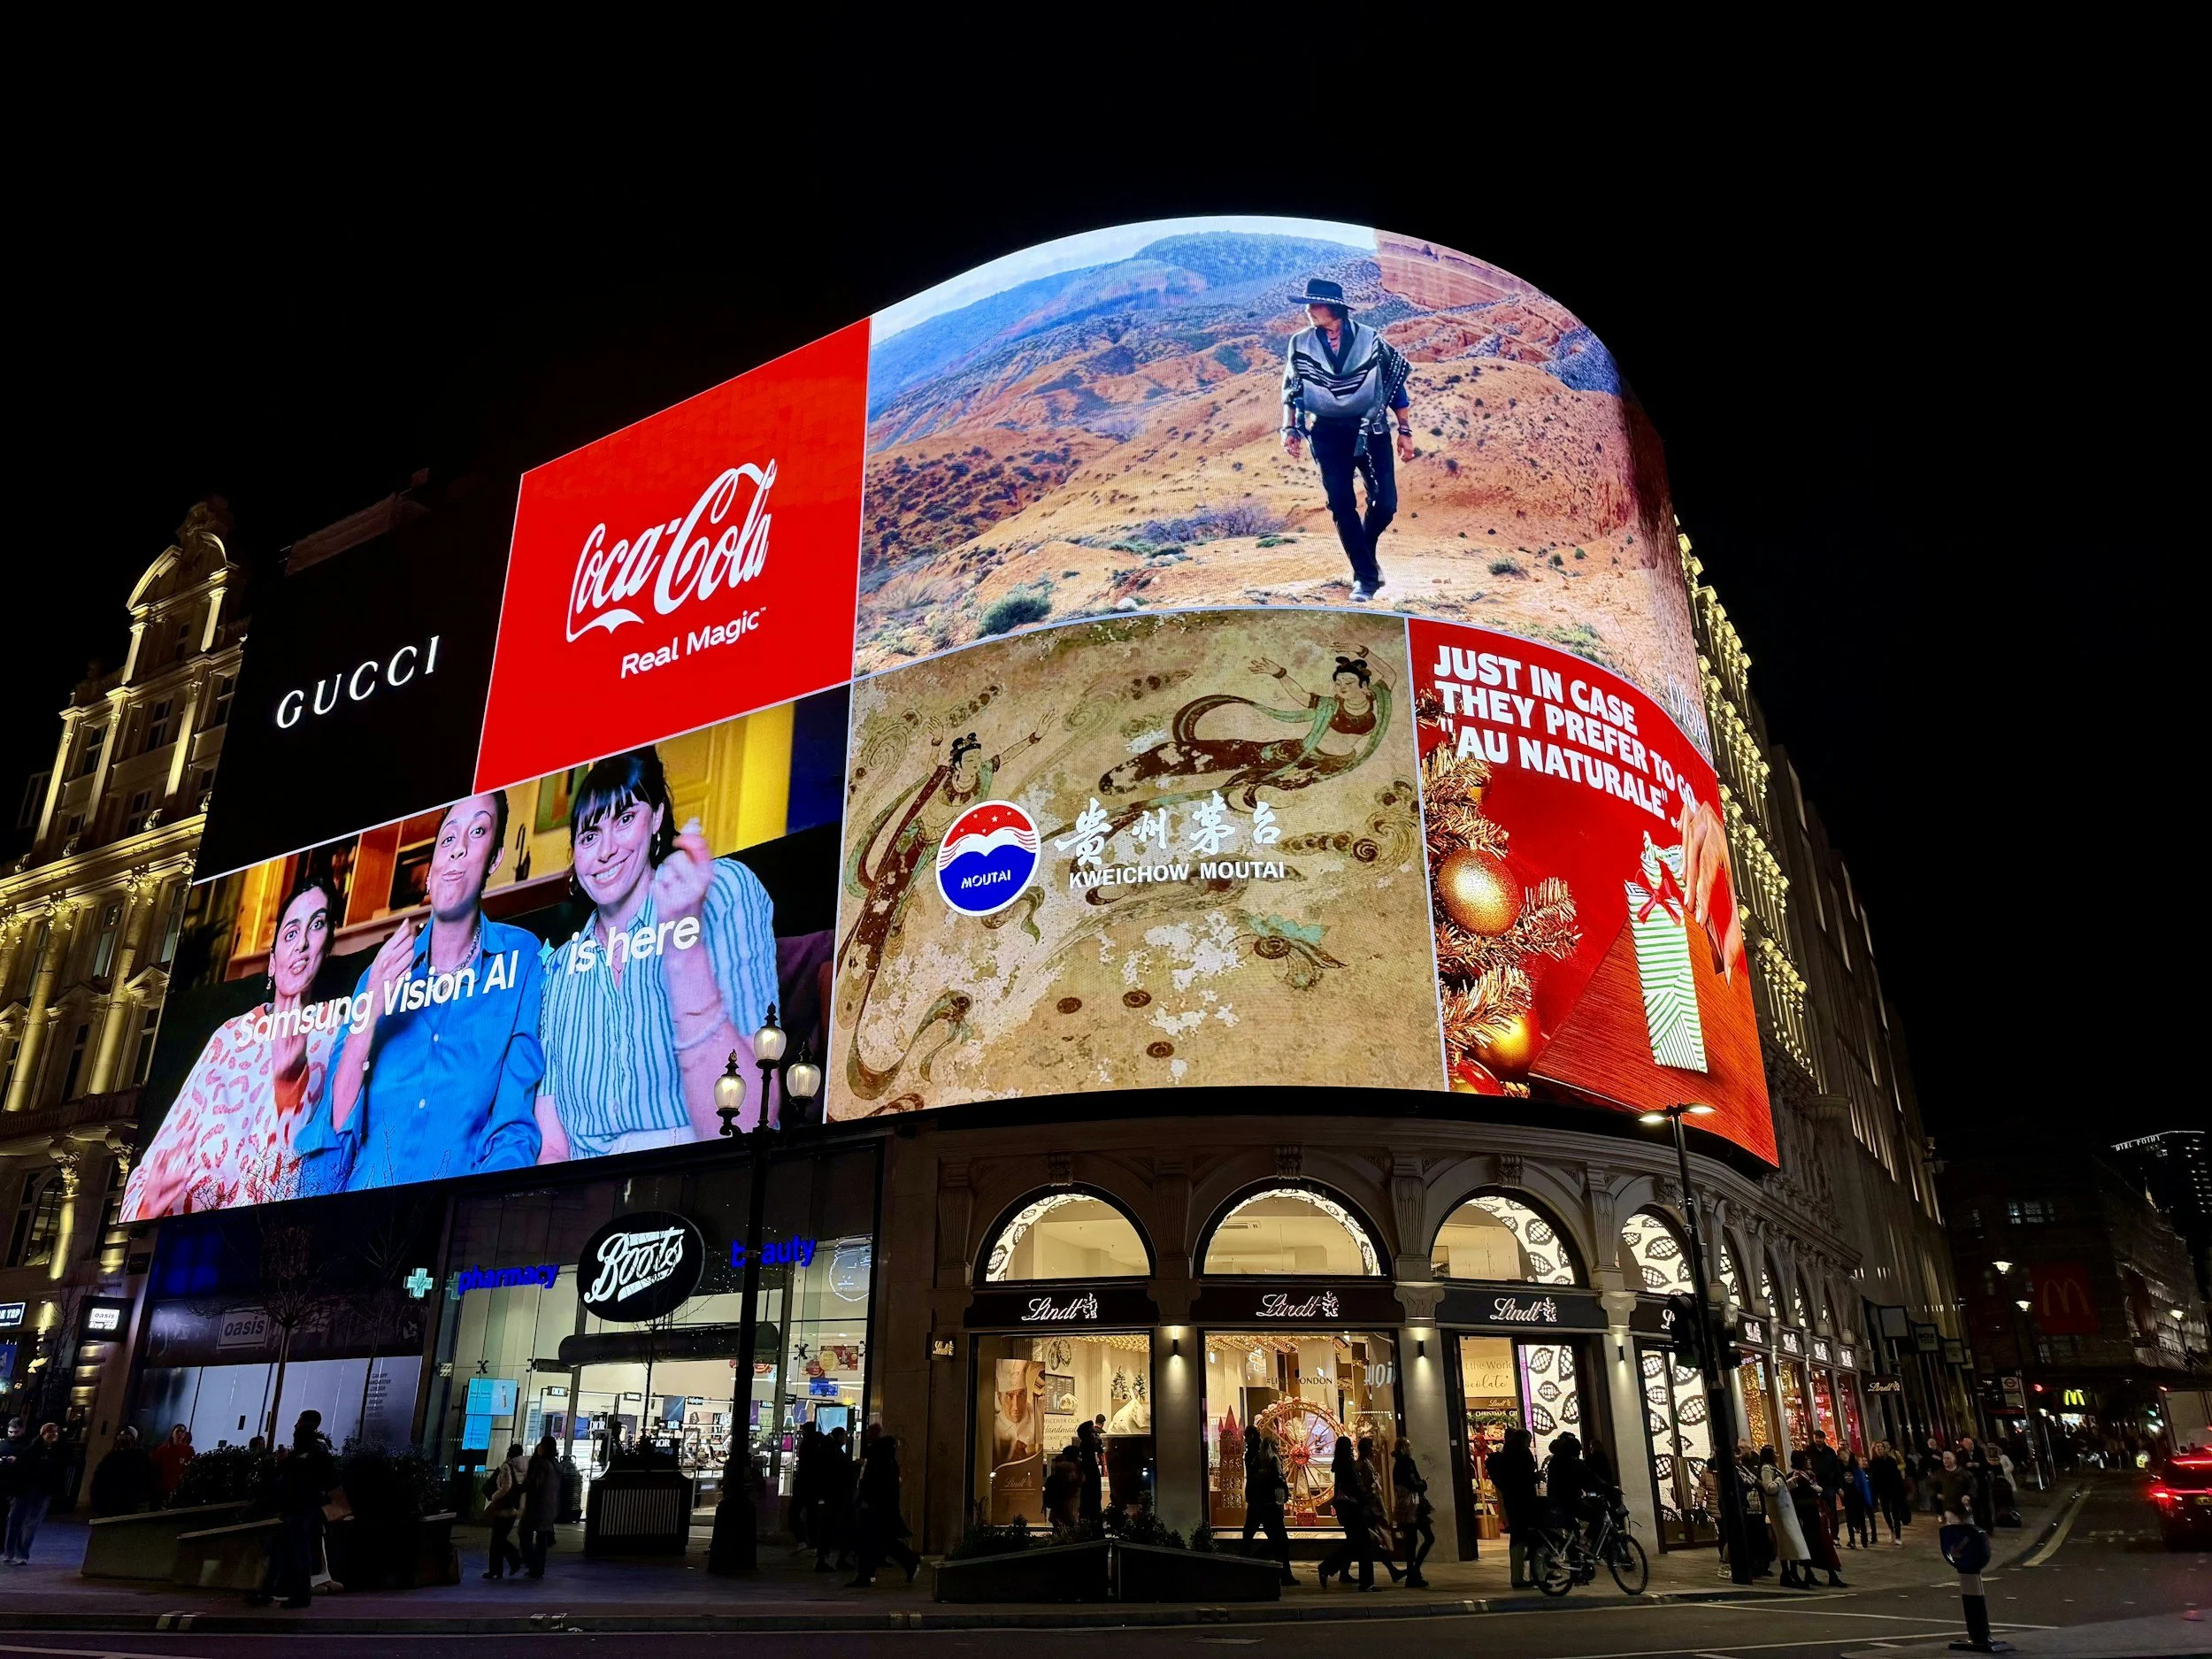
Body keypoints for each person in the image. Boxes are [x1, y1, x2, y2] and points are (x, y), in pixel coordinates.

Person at [535, 749, 779, 1158]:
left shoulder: (723, 891)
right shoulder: (560, 969)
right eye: (589, 836)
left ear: (657, 819)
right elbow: (553, 1148)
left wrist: (683, 943)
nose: (606, 849)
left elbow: (745, 1122)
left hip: (710, 1169)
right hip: (590, 1193)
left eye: (625, 819)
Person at [297, 793, 545, 1193]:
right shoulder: (378, 975)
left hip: (454, 1221)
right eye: (447, 839)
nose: (457, 849)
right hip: (361, 1211)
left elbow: (513, 1129)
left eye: (477, 832)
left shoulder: (521, 959)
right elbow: (336, 1132)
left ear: (495, 859)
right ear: (429, 872)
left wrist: (474, 1223)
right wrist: (370, 1010)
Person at [122, 876, 343, 1218]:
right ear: (272, 962)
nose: (301, 943)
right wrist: (152, 1198)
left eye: (317, 925)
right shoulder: (229, 1035)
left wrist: (289, 1092)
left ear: (328, 947)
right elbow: (151, 1169)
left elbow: (312, 1175)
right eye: (290, 932)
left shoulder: (338, 1027)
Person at [1279, 276, 1415, 602]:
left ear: (1335, 308)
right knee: (1341, 503)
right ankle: (1365, 579)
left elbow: (1395, 384)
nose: (1310, 310)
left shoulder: (1370, 340)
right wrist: (1290, 428)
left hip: (1372, 430)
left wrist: (1406, 430)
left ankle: (1363, 556)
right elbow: (1292, 388)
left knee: (1385, 504)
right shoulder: (1301, 343)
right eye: (1308, 304)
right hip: (1326, 433)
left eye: (1316, 304)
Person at [249, 1411, 334, 1608]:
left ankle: (295, 1593)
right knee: (282, 1549)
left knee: (296, 1551)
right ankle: (270, 1591)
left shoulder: (308, 1452)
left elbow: (291, 1477)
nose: (295, 1426)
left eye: (298, 1423)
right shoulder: (314, 1451)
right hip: (299, 1507)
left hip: (300, 1508)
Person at [847, 1433, 920, 1587]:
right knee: (881, 1541)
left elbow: (869, 1484)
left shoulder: (878, 1461)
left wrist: (862, 1501)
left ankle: (867, 1574)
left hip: (874, 1509)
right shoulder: (889, 1462)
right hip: (883, 1508)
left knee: (873, 1541)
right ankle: (868, 1573)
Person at [1486, 1425, 1542, 1589]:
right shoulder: (1523, 1454)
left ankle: (1517, 1575)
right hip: (1525, 1499)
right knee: (1533, 1534)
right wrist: (1536, 1477)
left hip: (1511, 1500)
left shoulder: (1506, 1455)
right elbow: (1524, 1478)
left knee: (1517, 1536)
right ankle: (1534, 1573)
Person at [2, 1422, 65, 1563]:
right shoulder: (33, 1448)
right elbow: (22, 1467)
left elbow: (59, 1472)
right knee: (15, 1521)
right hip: (25, 1489)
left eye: (55, 1433)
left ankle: (21, 1554)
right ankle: (10, 1552)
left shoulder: (58, 1451)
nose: (52, 1436)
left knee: (30, 1524)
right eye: (50, 1433)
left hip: (42, 1490)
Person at [1240, 1426, 1296, 1584]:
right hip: (1269, 1505)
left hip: (1260, 1502)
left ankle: (1249, 1563)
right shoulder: (1269, 1461)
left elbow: (1255, 1479)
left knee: (1253, 1535)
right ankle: (1278, 1571)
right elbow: (1275, 1481)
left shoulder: (1254, 1456)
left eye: (1245, 1436)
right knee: (1280, 1541)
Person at [1317, 1437, 1373, 1589]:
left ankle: (1328, 1567)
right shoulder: (1348, 1464)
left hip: (1345, 1507)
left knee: (1354, 1543)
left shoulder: (1340, 1464)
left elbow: (1339, 1487)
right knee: (1362, 1543)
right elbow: (1354, 1486)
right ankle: (1366, 1582)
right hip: (1353, 1507)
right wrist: (1365, 1496)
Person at [1760, 1448, 1814, 1591]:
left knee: (1790, 1541)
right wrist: (1780, 1480)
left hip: (1785, 1508)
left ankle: (1792, 1573)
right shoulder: (1766, 1469)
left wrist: (1791, 1481)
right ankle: (1789, 1573)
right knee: (1788, 1540)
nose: (1777, 1455)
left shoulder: (1774, 1468)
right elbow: (1769, 1488)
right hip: (1779, 1510)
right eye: (1775, 1453)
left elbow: (1782, 1487)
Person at [1790, 1449, 1846, 1587]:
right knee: (1816, 1546)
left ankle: (1824, 1574)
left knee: (1822, 1546)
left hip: (1817, 1516)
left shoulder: (1809, 1475)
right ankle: (1816, 1574)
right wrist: (1813, 1499)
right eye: (1806, 1460)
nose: (1809, 1462)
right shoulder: (1796, 1477)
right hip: (1808, 1518)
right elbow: (1796, 1500)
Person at [1392, 1438, 1434, 1589]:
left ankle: (1412, 1573)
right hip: (1413, 1506)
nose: (1411, 1447)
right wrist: (1423, 1483)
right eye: (1409, 1445)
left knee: (1411, 1541)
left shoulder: (1397, 1464)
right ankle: (1414, 1572)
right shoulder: (1408, 1463)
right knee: (1428, 1538)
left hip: (1403, 1506)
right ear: (1405, 1448)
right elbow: (1412, 1483)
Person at [483, 1440, 528, 1579]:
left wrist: (494, 1496)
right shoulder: (525, 1467)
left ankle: (508, 1562)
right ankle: (501, 1568)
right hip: (514, 1507)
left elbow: (505, 1487)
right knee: (499, 1539)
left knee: (497, 1539)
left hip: (504, 1507)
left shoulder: (507, 1466)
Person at [519, 1435, 562, 1579]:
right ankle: (539, 1568)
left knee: (525, 1534)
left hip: (537, 1506)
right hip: (550, 1506)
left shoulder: (542, 1464)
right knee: (542, 1539)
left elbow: (533, 1485)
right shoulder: (556, 1465)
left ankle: (533, 1565)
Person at [89, 1425, 156, 1517]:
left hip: (130, 1504)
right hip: (109, 1503)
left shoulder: (141, 1457)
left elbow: (146, 1480)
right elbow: (99, 1479)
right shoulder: (111, 1457)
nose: (124, 1440)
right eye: (122, 1437)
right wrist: (96, 1502)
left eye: (128, 1437)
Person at [1869, 1440, 1909, 1542]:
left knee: (1895, 1513)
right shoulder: (1873, 1463)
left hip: (1893, 1490)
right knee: (1886, 1513)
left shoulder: (1891, 1461)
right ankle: (1892, 1530)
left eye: (1881, 1447)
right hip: (1882, 1492)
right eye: (1877, 1447)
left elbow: (1897, 1477)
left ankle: (1898, 1535)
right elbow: (1873, 1480)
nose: (1880, 1448)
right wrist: (1874, 1495)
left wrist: (1900, 1490)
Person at [150, 1423, 194, 1499]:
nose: (180, 1434)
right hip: (162, 1486)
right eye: (178, 1431)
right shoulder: (163, 1449)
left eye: (182, 1432)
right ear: (173, 1433)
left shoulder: (188, 1450)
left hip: (178, 1487)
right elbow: (155, 1466)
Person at [1841, 1452, 1874, 1549]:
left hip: (1850, 1498)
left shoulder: (1846, 1471)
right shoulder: (1858, 1471)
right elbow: (1863, 1487)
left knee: (1851, 1520)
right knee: (1861, 1519)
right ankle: (1864, 1540)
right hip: (1857, 1498)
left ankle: (1853, 1540)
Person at [1074, 1418, 1103, 1525]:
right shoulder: (1087, 1446)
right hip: (1091, 1478)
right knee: (1092, 1502)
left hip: (1091, 1478)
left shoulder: (1086, 1446)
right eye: (1091, 1431)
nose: (1094, 1434)